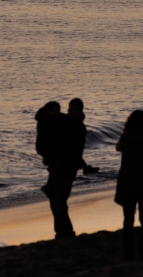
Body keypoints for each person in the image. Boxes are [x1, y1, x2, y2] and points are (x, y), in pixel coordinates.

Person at [35, 98, 98, 239]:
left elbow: (73, 151)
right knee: (56, 201)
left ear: (80, 111)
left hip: (67, 168)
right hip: (57, 165)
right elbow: (42, 117)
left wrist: (82, 165)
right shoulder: (65, 121)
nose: (72, 112)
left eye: (76, 110)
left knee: (59, 200)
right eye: (70, 109)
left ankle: (66, 233)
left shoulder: (79, 128)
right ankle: (62, 232)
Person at [115, 110, 143, 260]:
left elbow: (118, 148)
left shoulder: (126, 137)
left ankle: (128, 252)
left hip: (128, 180)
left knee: (128, 218)